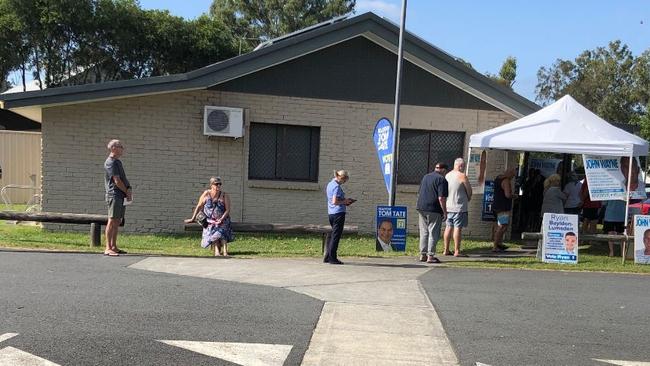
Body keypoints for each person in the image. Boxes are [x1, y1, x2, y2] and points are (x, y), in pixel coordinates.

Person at [185, 177, 234, 256]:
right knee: (212, 229)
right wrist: (192, 218)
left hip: (223, 219)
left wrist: (221, 219)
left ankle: (225, 251)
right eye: (216, 184)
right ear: (211, 185)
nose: (218, 185)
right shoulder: (206, 194)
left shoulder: (224, 195)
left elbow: (227, 210)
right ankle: (217, 252)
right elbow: (199, 206)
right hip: (210, 220)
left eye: (220, 184)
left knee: (221, 230)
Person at [103, 139, 131, 257]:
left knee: (118, 221)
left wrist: (128, 189)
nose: (122, 149)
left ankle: (114, 246)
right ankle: (108, 248)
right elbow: (117, 181)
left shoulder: (118, 162)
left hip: (121, 195)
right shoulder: (111, 162)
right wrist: (126, 191)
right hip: (114, 195)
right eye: (120, 146)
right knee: (112, 220)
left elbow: (123, 179)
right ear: (113, 148)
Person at [416, 162, 448, 264]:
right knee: (433, 233)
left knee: (424, 232)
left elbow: (419, 192)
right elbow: (441, 198)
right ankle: (430, 256)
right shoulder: (441, 179)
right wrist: (444, 211)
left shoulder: (426, 177)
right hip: (434, 209)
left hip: (421, 207)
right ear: (443, 170)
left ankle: (423, 254)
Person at [324, 170, 355, 265]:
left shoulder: (330, 184)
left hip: (331, 213)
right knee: (336, 236)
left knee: (332, 234)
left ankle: (327, 256)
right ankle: (332, 258)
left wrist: (344, 200)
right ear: (341, 177)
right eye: (344, 180)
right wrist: (345, 202)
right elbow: (335, 201)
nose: (344, 182)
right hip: (338, 213)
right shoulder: (337, 187)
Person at [443, 158, 472, 257]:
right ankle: (457, 251)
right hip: (459, 207)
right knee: (457, 228)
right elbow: (469, 190)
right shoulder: (462, 176)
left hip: (448, 206)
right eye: (463, 166)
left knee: (448, 227)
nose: (463, 168)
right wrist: (468, 197)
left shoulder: (447, 175)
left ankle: (446, 249)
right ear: (460, 166)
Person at [491, 167, 515, 252]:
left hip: (496, 204)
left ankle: (499, 243)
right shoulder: (506, 181)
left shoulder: (498, 178)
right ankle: (495, 245)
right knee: (502, 226)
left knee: (499, 225)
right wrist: (514, 196)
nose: (513, 177)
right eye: (513, 175)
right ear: (510, 174)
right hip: (503, 206)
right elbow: (507, 195)